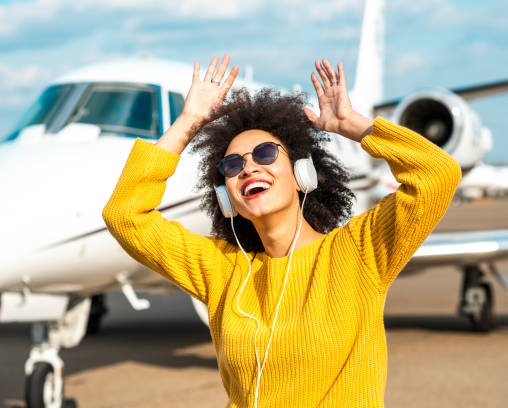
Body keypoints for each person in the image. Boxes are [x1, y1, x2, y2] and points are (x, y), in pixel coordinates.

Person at [102, 54, 462, 407]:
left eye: (265, 154)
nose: (248, 168)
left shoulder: (359, 252)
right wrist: (189, 122)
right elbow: (124, 214)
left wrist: (352, 125)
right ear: (226, 198)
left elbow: (437, 175)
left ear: (302, 174)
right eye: (232, 164)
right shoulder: (221, 269)